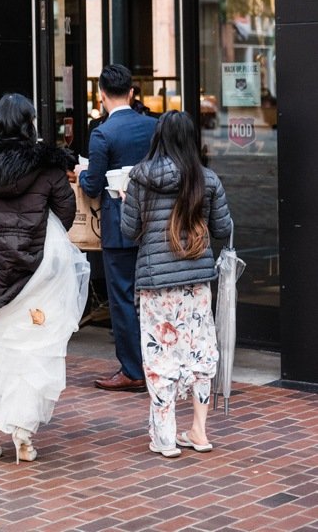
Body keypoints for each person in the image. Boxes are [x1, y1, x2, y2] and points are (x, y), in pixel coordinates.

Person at [0, 93, 87, 464]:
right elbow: (66, 213)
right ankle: (23, 434)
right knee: (33, 350)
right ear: (29, 124)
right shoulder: (48, 166)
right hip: (36, 272)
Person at [121, 110, 233, 458]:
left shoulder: (140, 177)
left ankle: (166, 437)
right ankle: (199, 431)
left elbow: (128, 232)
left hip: (156, 284)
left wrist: (126, 202)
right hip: (197, 282)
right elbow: (223, 228)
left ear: (159, 138)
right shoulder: (207, 179)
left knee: (159, 357)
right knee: (200, 353)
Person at [73, 63, 159, 393]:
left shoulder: (103, 133)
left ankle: (133, 369)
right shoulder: (152, 126)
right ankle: (156, 362)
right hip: (153, 223)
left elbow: (93, 185)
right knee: (151, 295)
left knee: (122, 298)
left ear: (102, 95)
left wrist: (81, 173)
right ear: (132, 93)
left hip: (119, 227)